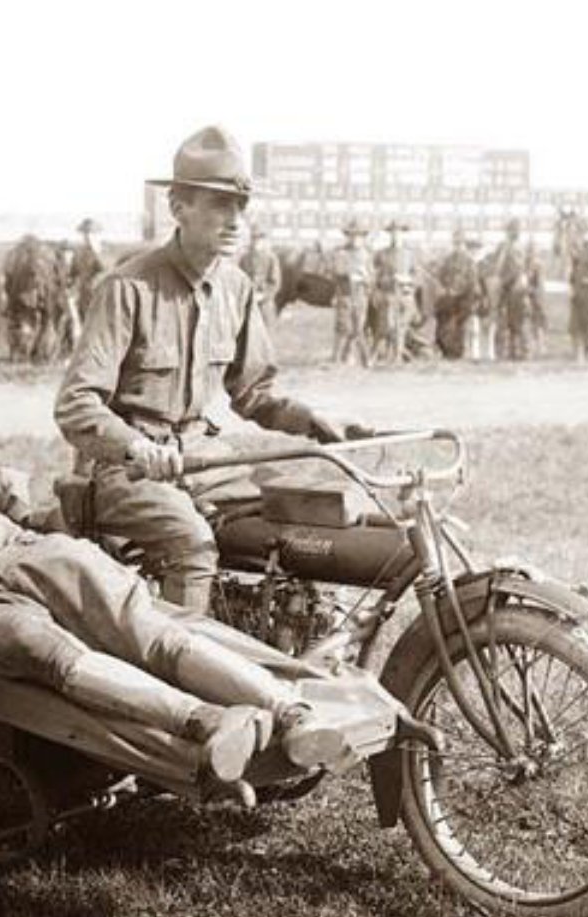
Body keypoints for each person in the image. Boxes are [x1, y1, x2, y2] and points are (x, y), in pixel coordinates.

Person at [0, 469, 360, 803]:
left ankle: (290, 714)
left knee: (150, 637)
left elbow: (5, 482)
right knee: (64, 658)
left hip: (34, 559)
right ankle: (212, 721)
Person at [54, 125, 370, 613]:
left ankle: (276, 640)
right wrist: (134, 446)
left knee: (295, 523)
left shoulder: (237, 288)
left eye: (241, 207)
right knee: (191, 544)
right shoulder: (128, 287)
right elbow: (76, 404)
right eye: (220, 203)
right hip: (125, 472)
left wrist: (316, 422)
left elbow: (255, 393)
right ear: (178, 208)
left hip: (205, 461)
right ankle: (184, 680)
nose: (235, 219)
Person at [330, 219, 374, 366]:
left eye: (359, 236)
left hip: (361, 296)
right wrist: (349, 274)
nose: (355, 239)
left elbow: (372, 277)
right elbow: (336, 272)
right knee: (343, 327)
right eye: (352, 235)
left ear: (363, 238)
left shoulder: (367, 254)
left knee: (359, 328)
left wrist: (365, 278)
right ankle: (336, 358)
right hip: (345, 295)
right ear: (347, 237)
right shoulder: (341, 253)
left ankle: (363, 359)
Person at [372, 220, 416, 363]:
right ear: (389, 235)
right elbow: (376, 277)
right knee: (388, 326)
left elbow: (416, 275)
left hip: (405, 295)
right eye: (393, 233)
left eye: (399, 233)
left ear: (403, 234)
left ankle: (397, 357)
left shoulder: (410, 254)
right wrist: (389, 279)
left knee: (401, 327)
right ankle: (381, 354)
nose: (396, 236)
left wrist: (407, 281)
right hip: (389, 295)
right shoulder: (382, 254)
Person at [435, 228, 479, 359]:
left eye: (460, 243)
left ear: (463, 244)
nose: (457, 246)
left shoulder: (469, 262)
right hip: (449, 299)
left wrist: (457, 291)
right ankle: (446, 351)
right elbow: (441, 277)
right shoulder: (448, 260)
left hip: (463, 300)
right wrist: (445, 289)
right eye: (455, 243)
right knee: (441, 317)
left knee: (458, 324)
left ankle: (457, 352)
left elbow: (472, 282)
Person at [493, 218, 530, 360]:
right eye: (511, 230)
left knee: (517, 322)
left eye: (514, 230)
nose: (513, 232)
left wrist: (504, 283)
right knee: (507, 321)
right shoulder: (504, 247)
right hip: (508, 287)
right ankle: (509, 351)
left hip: (515, 287)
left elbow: (517, 268)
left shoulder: (516, 247)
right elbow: (498, 266)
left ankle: (520, 351)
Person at [238, 222, 282, 325]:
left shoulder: (271, 258)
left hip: (265, 307)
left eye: (259, 237)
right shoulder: (244, 258)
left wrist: (263, 295)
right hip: (247, 306)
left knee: (265, 337)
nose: (256, 241)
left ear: (264, 240)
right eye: (253, 237)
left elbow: (275, 283)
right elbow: (238, 280)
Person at [71, 218, 107, 322]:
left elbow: (105, 271)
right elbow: (72, 274)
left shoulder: (103, 253)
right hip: (82, 296)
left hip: (99, 296)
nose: (88, 236)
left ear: (97, 235)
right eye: (86, 233)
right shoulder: (78, 253)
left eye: (92, 233)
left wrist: (96, 253)